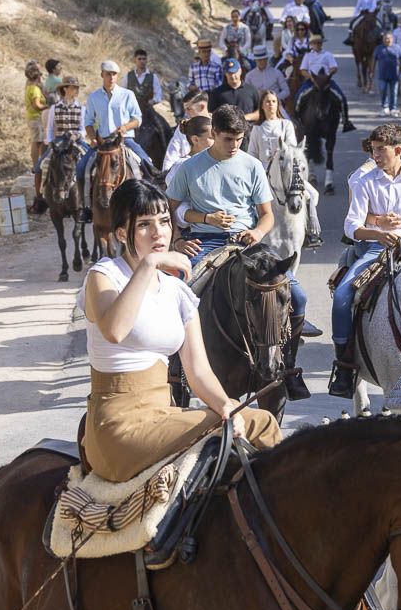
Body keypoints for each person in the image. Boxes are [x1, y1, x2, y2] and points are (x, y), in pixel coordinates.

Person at [78, 179, 281, 483]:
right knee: (223, 429)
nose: (158, 232)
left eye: (163, 221)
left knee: (260, 422)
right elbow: (114, 331)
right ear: (122, 233)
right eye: (144, 224)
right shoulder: (104, 276)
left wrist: (227, 406)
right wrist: (151, 264)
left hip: (164, 414)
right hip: (118, 426)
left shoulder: (177, 291)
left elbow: (198, 371)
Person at [167, 106, 318, 397]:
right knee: (182, 294)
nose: (235, 145)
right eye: (228, 139)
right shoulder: (188, 168)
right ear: (213, 134)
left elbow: (266, 215)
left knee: (297, 295)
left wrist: (258, 232)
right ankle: (177, 371)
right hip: (205, 242)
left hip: (247, 244)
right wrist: (177, 241)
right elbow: (170, 210)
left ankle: (289, 367)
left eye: (239, 139)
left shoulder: (252, 165)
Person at [329, 124, 401, 397]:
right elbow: (351, 226)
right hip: (376, 248)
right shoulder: (365, 181)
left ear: (398, 150)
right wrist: (377, 231)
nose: (374, 156)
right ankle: (344, 365)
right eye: (373, 150)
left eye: (380, 150)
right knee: (342, 296)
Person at [77, 61, 153, 220]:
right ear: (102, 75)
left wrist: (125, 127)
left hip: (124, 140)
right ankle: (86, 207)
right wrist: (93, 139)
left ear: (117, 76)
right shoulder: (94, 97)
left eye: (114, 74)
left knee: (148, 163)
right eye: (108, 74)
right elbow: (88, 122)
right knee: (82, 167)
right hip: (103, 143)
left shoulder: (127, 94)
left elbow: (137, 118)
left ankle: (149, 203)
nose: (111, 77)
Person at [248, 89, 321, 247]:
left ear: (278, 104)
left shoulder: (286, 124)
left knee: (312, 193)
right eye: (267, 102)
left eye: (274, 101)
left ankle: (311, 230)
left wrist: (282, 154)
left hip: (285, 168)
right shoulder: (257, 128)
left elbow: (293, 149)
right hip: (263, 170)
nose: (271, 105)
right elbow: (252, 153)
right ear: (262, 105)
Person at [34, 75, 91, 215]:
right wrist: (49, 141)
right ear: (65, 89)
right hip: (59, 141)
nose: (76, 90)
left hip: (76, 141)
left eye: (77, 88)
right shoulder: (55, 108)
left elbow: (83, 129)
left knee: (91, 163)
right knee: (40, 165)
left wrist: (77, 135)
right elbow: (49, 127)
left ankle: (89, 198)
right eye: (73, 87)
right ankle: (40, 197)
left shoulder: (81, 108)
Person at [163, 88, 210, 181]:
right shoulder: (184, 126)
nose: (186, 113)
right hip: (188, 176)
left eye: (189, 109)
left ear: (201, 107)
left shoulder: (218, 125)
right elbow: (172, 153)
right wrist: (166, 175)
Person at [25, 61, 49, 212]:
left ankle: (37, 163)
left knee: (38, 141)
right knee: (38, 142)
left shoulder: (31, 86)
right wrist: (48, 106)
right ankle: (36, 164)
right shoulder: (33, 89)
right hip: (35, 117)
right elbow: (36, 105)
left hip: (35, 118)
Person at [208, 58, 261, 124]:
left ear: (240, 71)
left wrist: (244, 118)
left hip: (249, 131)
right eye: (229, 73)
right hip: (226, 131)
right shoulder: (216, 93)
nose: (232, 76)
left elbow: (260, 112)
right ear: (225, 73)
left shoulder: (252, 90)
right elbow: (211, 114)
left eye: (234, 72)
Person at [374, 32, 401, 115]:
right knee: (383, 90)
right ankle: (385, 107)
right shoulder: (379, 48)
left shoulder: (397, 48)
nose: (387, 40)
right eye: (385, 39)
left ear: (392, 39)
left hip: (394, 75)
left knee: (394, 92)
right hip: (382, 74)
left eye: (389, 38)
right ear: (383, 40)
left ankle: (393, 108)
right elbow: (374, 59)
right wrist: (371, 71)